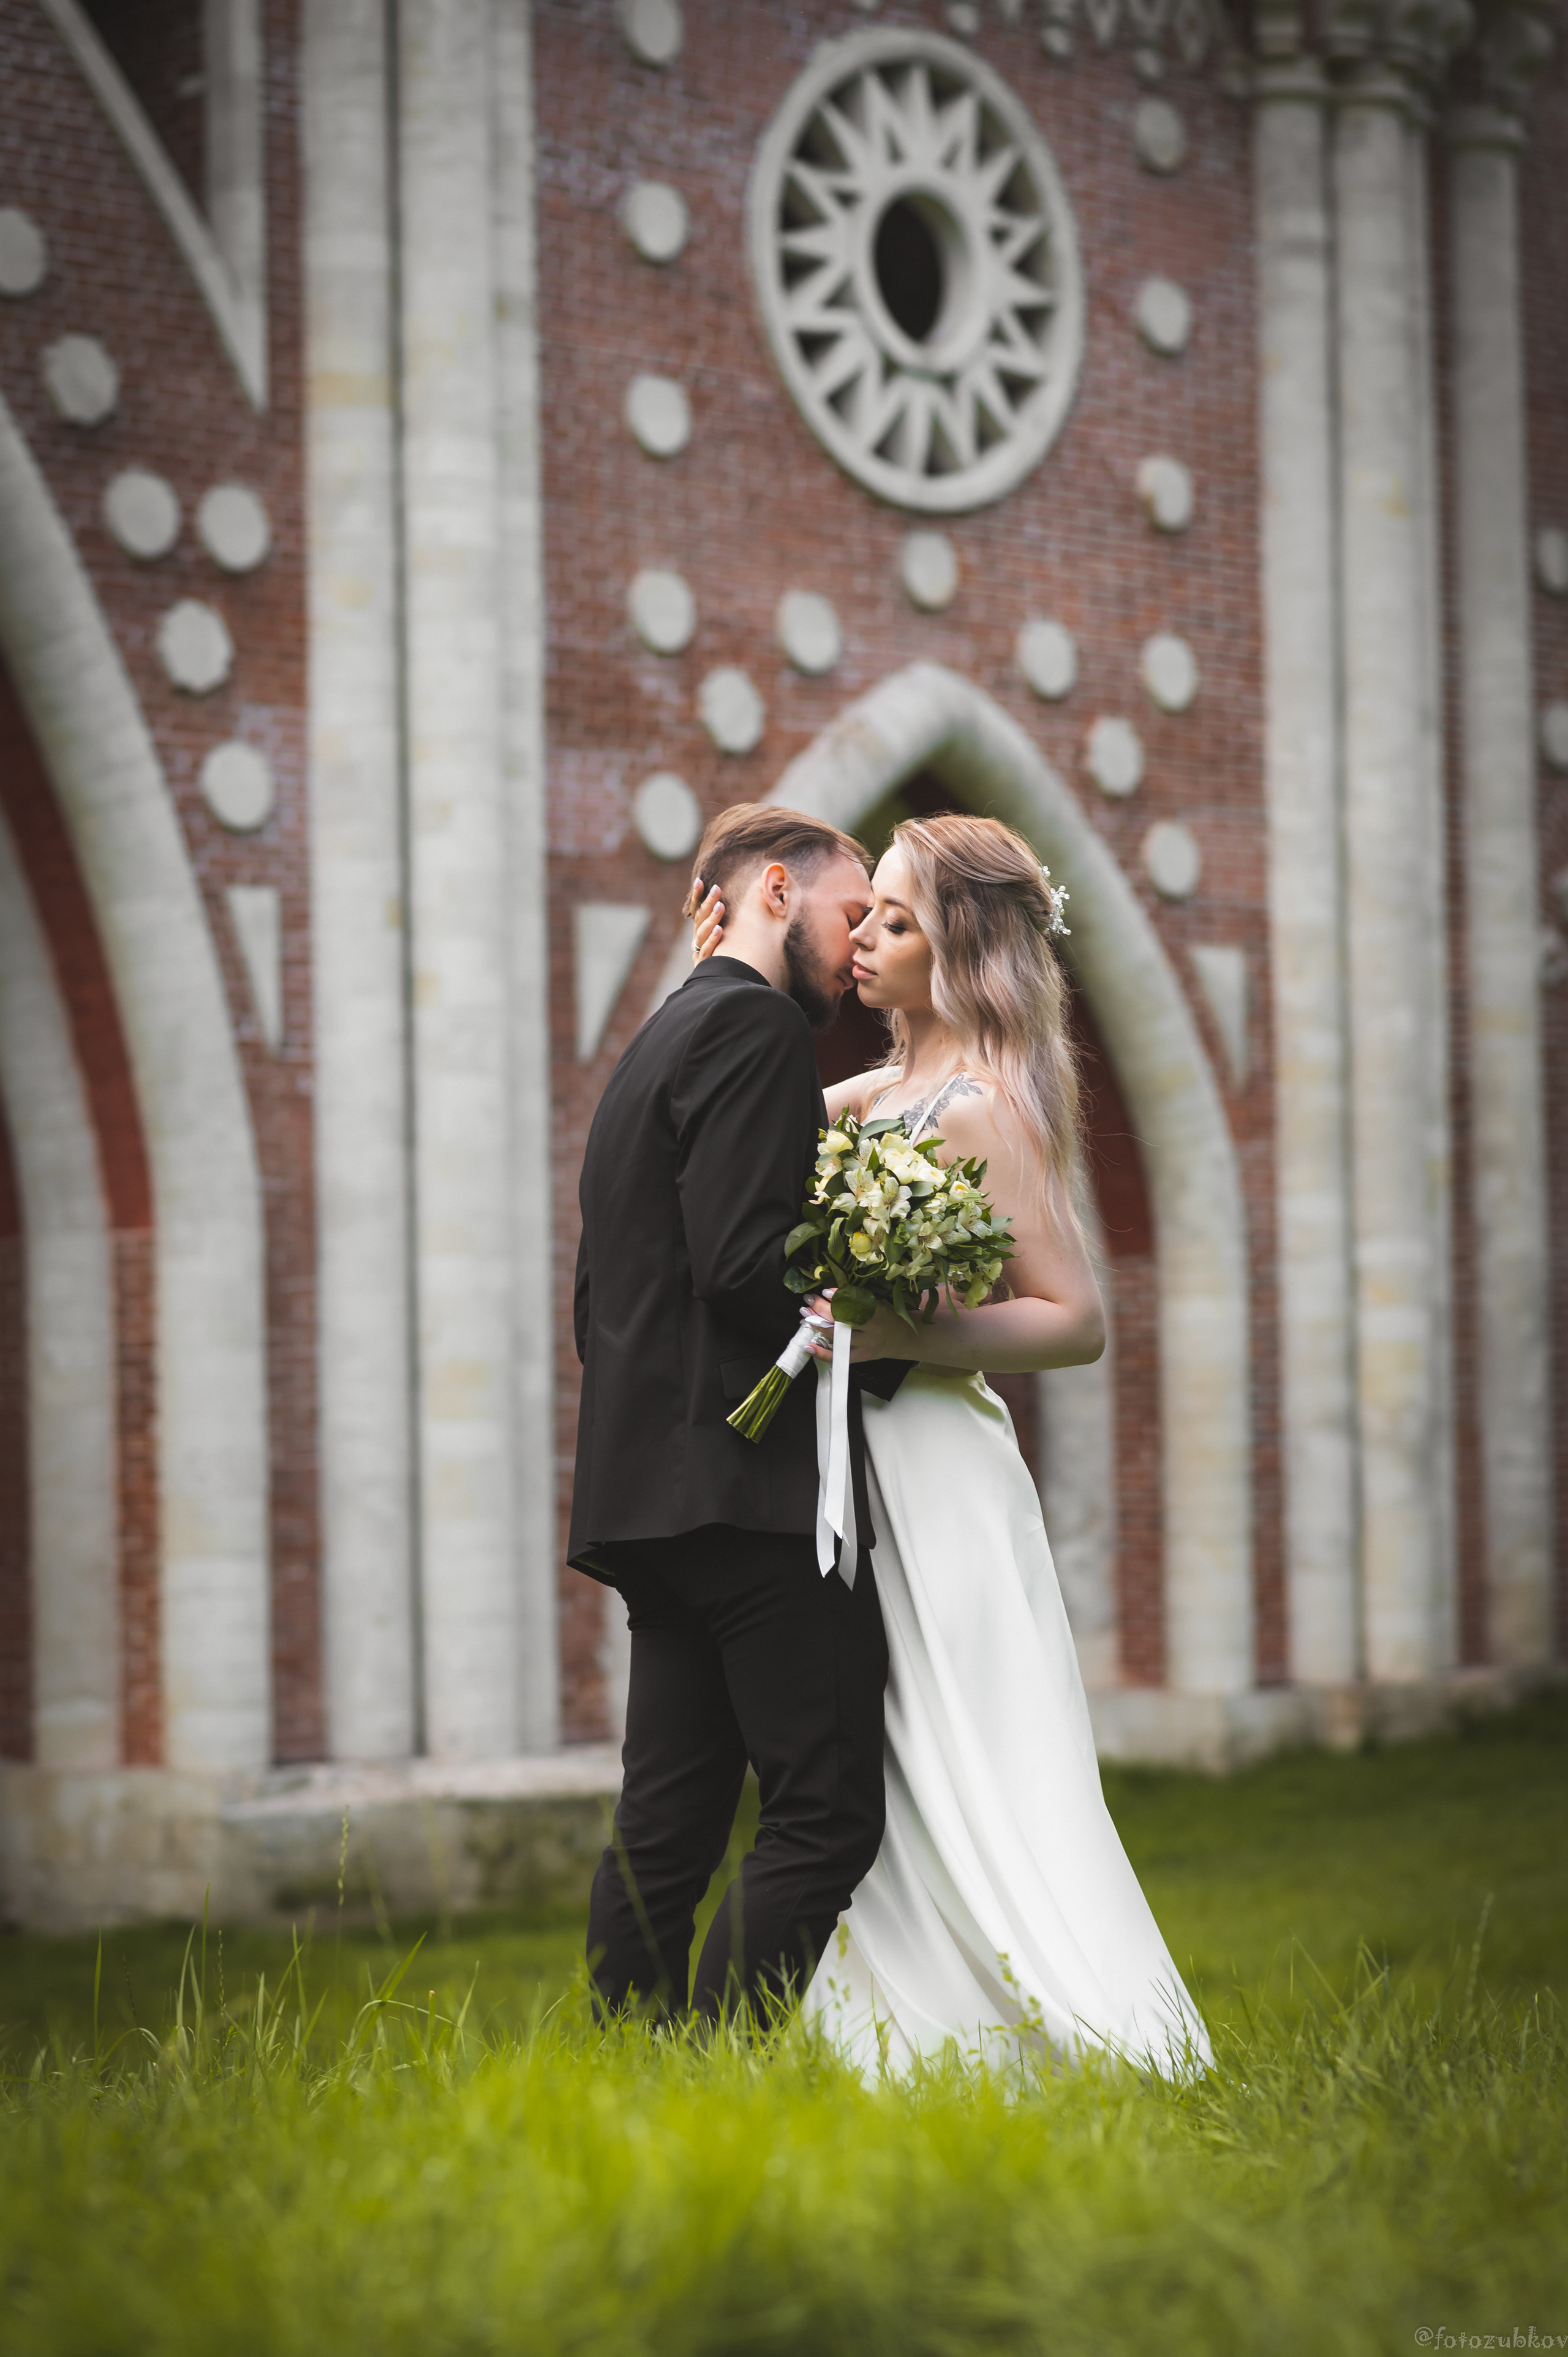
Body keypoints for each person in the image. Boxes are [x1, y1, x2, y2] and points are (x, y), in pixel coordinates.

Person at [692, 810, 1210, 2076]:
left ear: (961, 947)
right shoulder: (873, 1095)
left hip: (940, 1474)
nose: (863, 936)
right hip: (848, 1465)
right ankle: (897, 2040)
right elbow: (733, 1135)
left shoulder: (983, 1108)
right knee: (872, 1752)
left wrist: (910, 1334)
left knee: (969, 1740)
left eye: (896, 919)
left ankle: (1072, 2023)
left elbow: (1074, 1319)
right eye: (865, 912)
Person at [570, 803, 908, 2022]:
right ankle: (720, 2069)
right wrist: (888, 1336)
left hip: (647, 1498)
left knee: (668, 1818)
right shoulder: (757, 1028)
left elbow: (599, 1293)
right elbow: (741, 1262)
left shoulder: (656, 1040)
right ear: (775, 889)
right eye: (851, 911)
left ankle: (624, 2072)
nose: (859, 943)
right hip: (750, 1492)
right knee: (825, 1811)